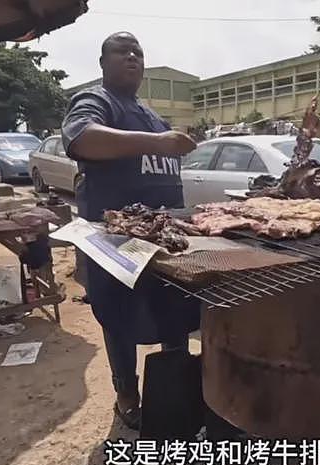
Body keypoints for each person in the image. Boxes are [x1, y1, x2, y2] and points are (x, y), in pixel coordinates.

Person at [61, 32, 199, 430]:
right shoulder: (97, 101)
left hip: (163, 245)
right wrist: (158, 143)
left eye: (138, 51)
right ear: (103, 63)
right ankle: (126, 395)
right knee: (120, 321)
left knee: (173, 317)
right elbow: (82, 137)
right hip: (117, 244)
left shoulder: (149, 113)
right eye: (122, 51)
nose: (133, 57)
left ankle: (175, 386)